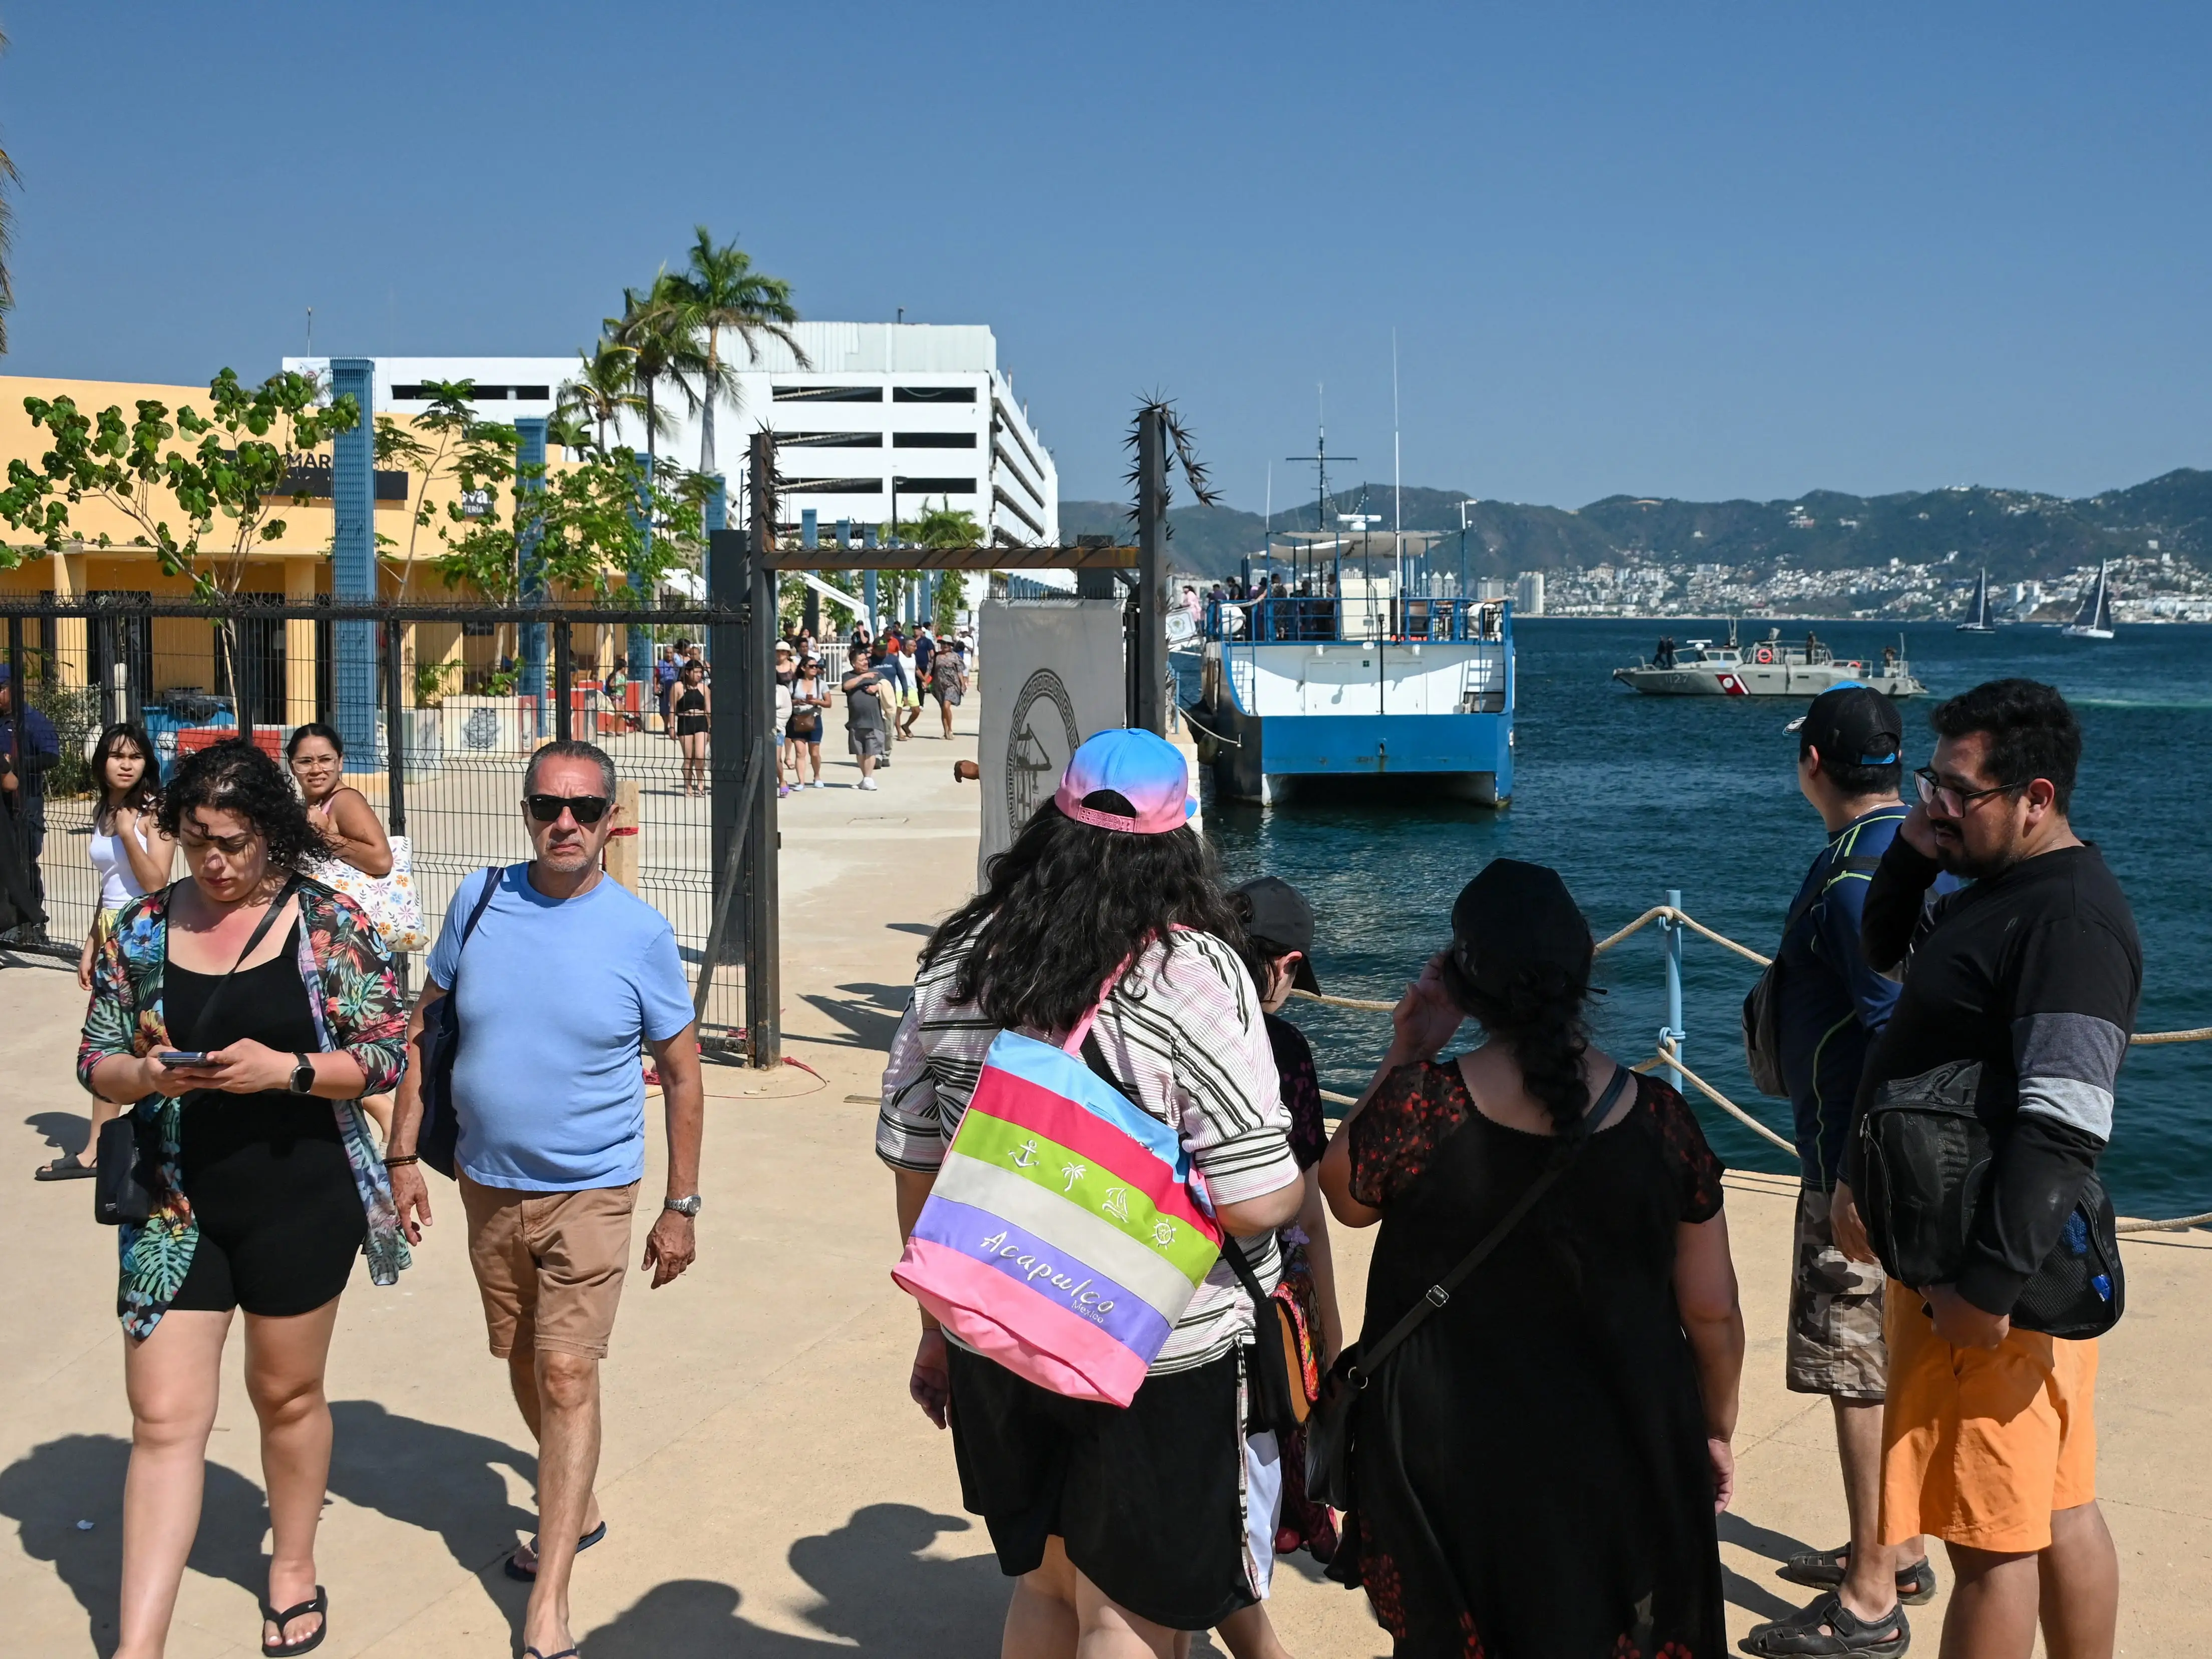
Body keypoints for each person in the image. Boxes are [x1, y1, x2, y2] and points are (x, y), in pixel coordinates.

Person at [880, 728, 1305, 1657]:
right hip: (1153, 1342)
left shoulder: (959, 958)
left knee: (1048, 1584)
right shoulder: (1189, 969)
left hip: (998, 1316)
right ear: (1182, 837)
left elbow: (916, 1158)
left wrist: (937, 1330)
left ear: (1051, 820)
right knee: (1132, 1612)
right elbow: (1259, 1197)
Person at [1317, 859, 1743, 1657]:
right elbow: (1712, 1311)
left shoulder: (1422, 1107)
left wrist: (1409, 1046)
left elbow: (1343, 1195)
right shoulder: (1662, 1120)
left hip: (1451, 1456)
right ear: (1586, 966)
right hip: (1621, 1441)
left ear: (1466, 981)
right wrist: (1714, 1428)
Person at [77, 738, 410, 1658]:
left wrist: (289, 1070)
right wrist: (141, 1073)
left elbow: (385, 1050)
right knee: (162, 1419)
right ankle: (138, 1645)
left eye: (231, 841)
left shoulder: (330, 923)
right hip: (172, 1204)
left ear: (269, 833)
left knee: (287, 1393)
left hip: (300, 1198)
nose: (214, 861)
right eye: (196, 841)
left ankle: (292, 1565)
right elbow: (94, 1053)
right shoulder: (137, 930)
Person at [1832, 680, 2138, 1659]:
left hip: (1986, 1275)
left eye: (1958, 791)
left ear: (2036, 798)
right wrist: (1921, 851)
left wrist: (1988, 1287)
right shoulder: (2003, 885)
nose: (1936, 804)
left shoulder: (2070, 924)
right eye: (1931, 782)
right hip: (1970, 1259)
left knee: (1990, 1548)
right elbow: (1884, 953)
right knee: (2057, 1503)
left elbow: (2064, 1123)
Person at [384, 738, 704, 1659]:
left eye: (583, 808)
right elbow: (423, 1030)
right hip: (487, 1183)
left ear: (611, 818)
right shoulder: (479, 901)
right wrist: (406, 1155)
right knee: (523, 1357)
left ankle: (550, 1599)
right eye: (546, 806)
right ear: (528, 811)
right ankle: (581, 1500)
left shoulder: (638, 933)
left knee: (568, 1372)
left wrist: (682, 1204)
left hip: (593, 1189)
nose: (563, 823)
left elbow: (682, 1076)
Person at [1741, 686, 1932, 1657]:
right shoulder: (1902, 853)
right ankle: (1892, 1541)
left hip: (1856, 1169)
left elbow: (1887, 1023)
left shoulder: (1862, 873)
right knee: (1881, 1359)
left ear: (1813, 760)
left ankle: (1871, 1595)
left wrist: (1857, 1171)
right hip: (1885, 1162)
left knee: (1854, 1369)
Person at [1215, 876, 1345, 1659]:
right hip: (1256, 1306)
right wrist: (1328, 1333)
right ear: (1284, 963)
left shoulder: (1162, 1024)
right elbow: (1305, 1207)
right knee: (1252, 1487)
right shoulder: (1284, 1053)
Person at [37, 723, 175, 1181]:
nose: (125, 764)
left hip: (147, 932)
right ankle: (97, 1147)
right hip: (112, 933)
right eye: (116, 756)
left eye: (135, 756)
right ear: (101, 763)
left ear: (146, 764)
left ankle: (160, 1142)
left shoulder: (156, 812)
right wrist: (90, 944)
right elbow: (109, 886)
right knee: (107, 1040)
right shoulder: (106, 810)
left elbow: (156, 882)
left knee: (153, 1036)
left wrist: (126, 833)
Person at [0, 663, 62, 939]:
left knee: (25, 862)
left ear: (14, 689)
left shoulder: (32, 719)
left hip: (27, 802)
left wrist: (19, 765)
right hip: (3, 804)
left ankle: (34, 925)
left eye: (1, 689)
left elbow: (52, 757)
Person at [286, 723, 392, 880]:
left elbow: (382, 861)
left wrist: (323, 835)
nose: (316, 770)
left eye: (325, 760)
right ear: (292, 767)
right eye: (306, 762)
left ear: (340, 762)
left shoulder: (345, 801)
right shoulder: (314, 805)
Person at [842, 643, 889, 791]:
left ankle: (869, 779)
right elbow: (846, 686)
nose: (865, 662)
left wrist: (877, 687)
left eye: (866, 660)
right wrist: (862, 677)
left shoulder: (876, 674)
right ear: (853, 663)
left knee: (871, 750)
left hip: (874, 720)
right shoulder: (848, 676)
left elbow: (887, 685)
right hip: (856, 721)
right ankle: (865, 779)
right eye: (861, 661)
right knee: (860, 752)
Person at [787, 653, 829, 787]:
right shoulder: (794, 683)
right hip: (798, 720)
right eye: (811, 666)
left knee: (815, 752)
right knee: (800, 752)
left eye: (816, 666)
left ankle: (817, 776)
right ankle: (801, 782)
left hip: (814, 719)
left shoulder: (821, 684)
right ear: (803, 668)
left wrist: (817, 701)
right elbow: (787, 700)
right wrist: (797, 701)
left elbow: (829, 703)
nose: (815, 668)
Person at [672, 659, 711, 797]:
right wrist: (671, 727)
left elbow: (708, 710)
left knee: (700, 756)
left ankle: (700, 784)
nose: (699, 675)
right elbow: (672, 708)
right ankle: (688, 786)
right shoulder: (678, 687)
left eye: (701, 672)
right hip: (685, 721)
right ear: (688, 672)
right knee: (688, 758)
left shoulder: (704, 688)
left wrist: (710, 728)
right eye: (696, 672)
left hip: (701, 722)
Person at [930, 637, 968, 742]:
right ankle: (946, 731)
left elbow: (960, 671)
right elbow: (930, 669)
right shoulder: (936, 657)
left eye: (948, 644)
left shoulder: (955, 657)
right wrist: (925, 680)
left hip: (952, 684)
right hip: (939, 685)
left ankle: (950, 730)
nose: (945, 645)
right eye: (943, 643)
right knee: (943, 708)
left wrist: (962, 684)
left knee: (947, 706)